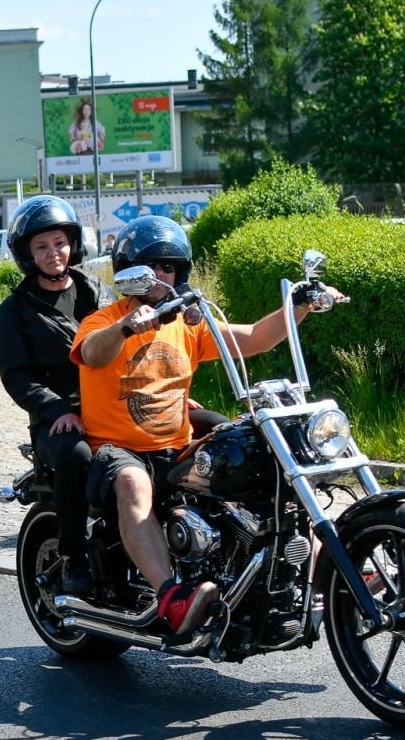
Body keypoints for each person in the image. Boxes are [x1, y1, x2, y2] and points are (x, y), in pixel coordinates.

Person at [71, 215, 346, 636]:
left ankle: (329, 570)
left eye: (170, 267)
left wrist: (299, 305)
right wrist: (126, 326)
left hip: (176, 446)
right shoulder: (103, 320)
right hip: (117, 448)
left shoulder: (189, 324)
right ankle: (172, 597)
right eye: (152, 267)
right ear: (130, 273)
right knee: (133, 482)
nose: (162, 275)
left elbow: (253, 336)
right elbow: (92, 352)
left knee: (267, 468)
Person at [0, 196, 114, 595]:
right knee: (77, 455)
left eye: (59, 243)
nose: (53, 254)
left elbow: (132, 345)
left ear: (73, 243)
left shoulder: (97, 292)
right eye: (41, 247)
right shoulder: (15, 310)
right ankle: (73, 558)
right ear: (27, 254)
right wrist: (57, 408)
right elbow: (17, 376)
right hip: (58, 419)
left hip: (114, 405)